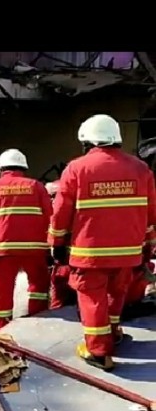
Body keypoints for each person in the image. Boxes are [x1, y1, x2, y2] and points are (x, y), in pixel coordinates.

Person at [49, 114, 156, 371]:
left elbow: (62, 212)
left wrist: (57, 243)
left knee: (91, 297)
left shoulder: (77, 169)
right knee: (116, 292)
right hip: (129, 252)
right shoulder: (141, 169)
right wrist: (149, 245)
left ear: (88, 141)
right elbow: (151, 212)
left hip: (90, 253)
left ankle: (98, 352)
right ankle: (113, 333)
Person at [0, 148, 52, 332]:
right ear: (23, 167)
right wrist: (53, 247)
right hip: (35, 249)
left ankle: (2, 333)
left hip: (2, 250)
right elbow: (50, 217)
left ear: (1, 168)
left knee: (1, 291)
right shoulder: (37, 187)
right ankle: (36, 324)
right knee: (39, 287)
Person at [45, 181, 76, 310]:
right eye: (51, 196)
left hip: (68, 263)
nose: (52, 200)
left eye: (54, 196)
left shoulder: (61, 212)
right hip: (64, 263)